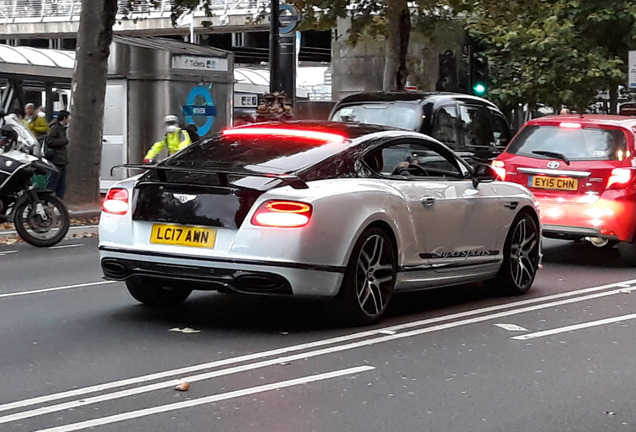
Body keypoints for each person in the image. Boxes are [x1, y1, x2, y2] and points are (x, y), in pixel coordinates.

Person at [45, 110, 71, 199]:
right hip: (56, 158)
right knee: (53, 180)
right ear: (64, 118)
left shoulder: (62, 128)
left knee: (61, 182)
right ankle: (46, 198)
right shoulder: (55, 128)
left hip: (61, 159)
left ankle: (59, 200)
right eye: (68, 118)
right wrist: (65, 141)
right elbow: (49, 141)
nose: (69, 120)